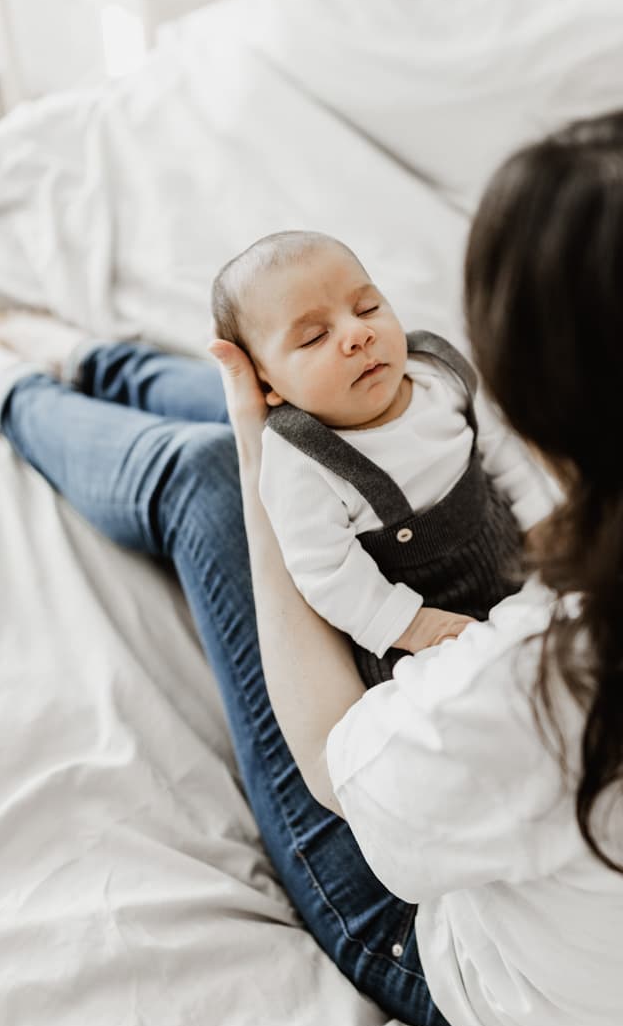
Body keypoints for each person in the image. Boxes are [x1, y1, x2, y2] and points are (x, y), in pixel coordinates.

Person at [0, 108, 623, 1026]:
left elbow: (333, 770)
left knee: (215, 481)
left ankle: (11, 387)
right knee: (332, 432)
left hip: (467, 965)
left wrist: (262, 458)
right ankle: (99, 360)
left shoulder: (557, 685)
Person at [210, 229, 561, 685]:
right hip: (416, 630)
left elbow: (498, 452)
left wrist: (540, 521)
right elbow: (326, 569)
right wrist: (411, 625)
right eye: (315, 337)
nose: (359, 334)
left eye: (367, 308)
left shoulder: (438, 373)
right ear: (268, 384)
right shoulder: (300, 459)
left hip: (515, 565)